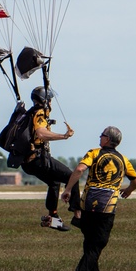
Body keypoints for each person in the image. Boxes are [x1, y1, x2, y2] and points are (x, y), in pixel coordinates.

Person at [61, 125, 136, 271]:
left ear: (108, 139)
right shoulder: (123, 160)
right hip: (107, 206)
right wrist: (129, 191)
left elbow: (80, 169)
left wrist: (68, 189)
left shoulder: (94, 153)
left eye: (102, 135)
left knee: (90, 241)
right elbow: (135, 181)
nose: (99, 137)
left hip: (88, 203)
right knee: (99, 242)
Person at [20, 86, 79, 231]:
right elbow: (41, 133)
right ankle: (78, 214)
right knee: (72, 177)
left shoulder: (29, 113)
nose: (51, 103)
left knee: (54, 182)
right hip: (38, 160)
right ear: (44, 101)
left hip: (28, 162)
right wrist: (63, 136)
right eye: (50, 100)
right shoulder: (39, 113)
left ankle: (53, 218)